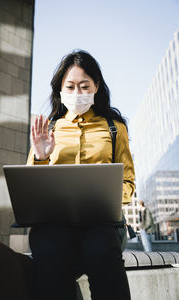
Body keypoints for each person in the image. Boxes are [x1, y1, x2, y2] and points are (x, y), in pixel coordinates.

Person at [27, 50, 135, 300]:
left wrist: (109, 199)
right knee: (51, 250)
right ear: (60, 89)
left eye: (84, 86)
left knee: (101, 249)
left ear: (96, 86)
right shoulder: (49, 129)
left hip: (102, 222)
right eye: (71, 86)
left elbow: (128, 181)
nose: (77, 93)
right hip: (55, 222)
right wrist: (41, 156)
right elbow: (31, 189)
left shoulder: (115, 128)